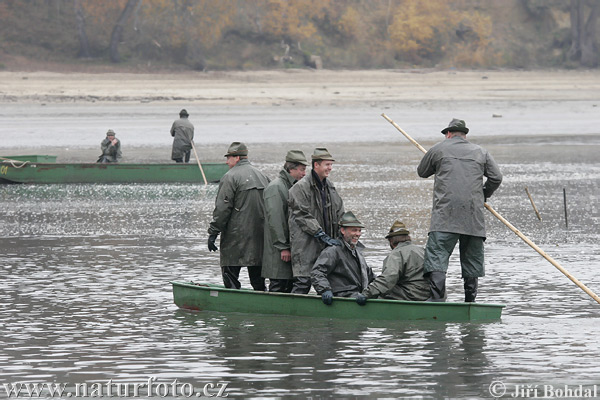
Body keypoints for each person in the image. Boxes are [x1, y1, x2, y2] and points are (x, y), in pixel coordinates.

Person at [417, 118, 502, 302]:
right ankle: (470, 302)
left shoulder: (438, 149)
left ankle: (437, 301)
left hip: (444, 217)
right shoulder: (481, 152)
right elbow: (496, 177)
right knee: (472, 261)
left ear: (448, 134)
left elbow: (422, 172)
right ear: (465, 135)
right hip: (473, 217)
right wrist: (483, 195)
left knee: (437, 257)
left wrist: (435, 162)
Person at [207, 142, 270, 291]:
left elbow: (222, 209)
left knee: (230, 277)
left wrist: (213, 232)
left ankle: (232, 303)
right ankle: (262, 303)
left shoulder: (230, 177)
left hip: (235, 237)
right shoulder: (263, 176)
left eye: (228, 157)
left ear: (237, 158)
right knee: (258, 279)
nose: (226, 161)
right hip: (260, 235)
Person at [288, 147, 345, 294]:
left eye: (331, 165)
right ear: (316, 165)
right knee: (303, 281)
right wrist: (320, 234)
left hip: (327, 245)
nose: (330, 168)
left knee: (330, 281)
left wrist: (343, 232)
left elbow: (339, 211)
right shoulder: (300, 187)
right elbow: (301, 214)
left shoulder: (330, 187)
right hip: (306, 244)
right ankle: (291, 313)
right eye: (327, 164)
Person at [262, 150, 309, 293]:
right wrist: (283, 247)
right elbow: (275, 220)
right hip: (278, 250)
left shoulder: (292, 186)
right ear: (291, 169)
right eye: (301, 169)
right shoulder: (276, 187)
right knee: (278, 284)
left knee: (286, 285)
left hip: (288, 248)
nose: (304, 173)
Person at [356, 221, 429, 305]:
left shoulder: (396, 254)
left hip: (411, 295)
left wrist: (366, 294)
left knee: (381, 292)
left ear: (391, 241)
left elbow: (387, 279)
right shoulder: (422, 250)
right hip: (427, 295)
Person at [311, 211, 374, 305]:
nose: (358, 234)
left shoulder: (358, 253)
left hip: (358, 296)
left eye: (359, 230)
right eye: (354, 230)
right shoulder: (333, 251)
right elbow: (317, 272)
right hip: (342, 297)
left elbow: (371, 276)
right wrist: (325, 290)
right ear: (343, 231)